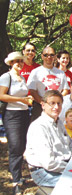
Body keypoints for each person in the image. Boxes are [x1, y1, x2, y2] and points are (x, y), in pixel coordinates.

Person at [25, 90, 72, 187]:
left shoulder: (58, 122)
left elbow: (70, 145)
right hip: (43, 172)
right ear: (43, 105)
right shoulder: (39, 127)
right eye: (52, 103)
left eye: (59, 103)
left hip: (62, 164)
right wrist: (71, 168)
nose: (56, 107)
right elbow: (48, 163)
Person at [0, 52, 33, 194]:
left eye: (21, 61)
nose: (19, 63)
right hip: (12, 115)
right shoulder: (6, 77)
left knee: (22, 145)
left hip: (24, 113)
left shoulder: (22, 78)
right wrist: (21, 100)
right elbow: (2, 96)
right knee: (15, 145)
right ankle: (15, 180)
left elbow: (22, 95)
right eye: (16, 61)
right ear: (10, 63)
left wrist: (27, 98)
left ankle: (19, 175)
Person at [27, 46, 69, 122]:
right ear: (42, 56)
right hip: (39, 107)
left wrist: (56, 101)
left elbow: (65, 90)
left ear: (55, 57)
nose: (49, 57)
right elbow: (32, 90)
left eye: (52, 55)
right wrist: (43, 103)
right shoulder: (35, 72)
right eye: (46, 55)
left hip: (56, 107)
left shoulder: (61, 73)